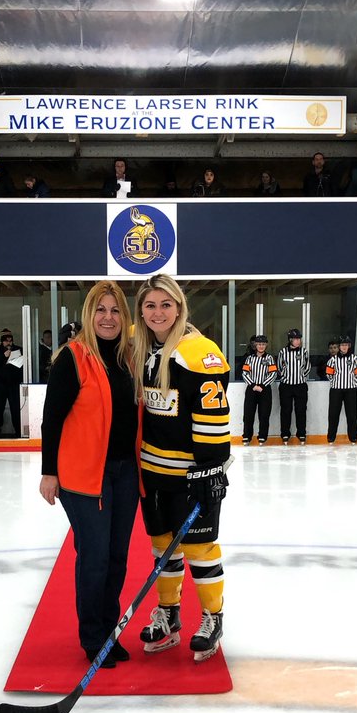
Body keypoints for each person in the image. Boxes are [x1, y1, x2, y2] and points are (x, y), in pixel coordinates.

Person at [39, 281, 139, 668]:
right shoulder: (73, 357)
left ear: (124, 317)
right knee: (95, 557)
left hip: (125, 474)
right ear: (88, 314)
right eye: (101, 310)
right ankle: (93, 638)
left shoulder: (129, 358)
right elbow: (52, 420)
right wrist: (49, 472)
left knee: (117, 558)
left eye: (115, 310)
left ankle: (109, 633)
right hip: (83, 478)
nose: (108, 318)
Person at [133, 273, 230, 662]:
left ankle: (212, 617)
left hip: (191, 475)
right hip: (152, 473)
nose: (158, 312)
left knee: (199, 548)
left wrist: (211, 467)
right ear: (141, 311)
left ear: (179, 307)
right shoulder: (141, 346)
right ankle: (169, 614)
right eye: (150, 305)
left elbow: (214, 411)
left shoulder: (198, 351)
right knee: (162, 548)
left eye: (165, 304)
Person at [326, 337, 357, 443]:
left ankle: (353, 437)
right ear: (339, 347)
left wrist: (352, 380)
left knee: (352, 415)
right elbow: (329, 374)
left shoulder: (354, 358)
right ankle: (331, 437)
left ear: (349, 346)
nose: (344, 347)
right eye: (342, 345)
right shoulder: (332, 360)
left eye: (346, 345)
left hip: (351, 390)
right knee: (333, 414)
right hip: (336, 390)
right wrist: (336, 382)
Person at [241, 335, 277, 445]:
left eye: (263, 344)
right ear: (255, 345)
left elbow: (273, 374)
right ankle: (247, 436)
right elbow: (245, 373)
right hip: (251, 390)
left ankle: (262, 436)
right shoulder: (249, 358)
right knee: (248, 414)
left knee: (264, 414)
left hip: (264, 390)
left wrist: (262, 385)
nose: (261, 346)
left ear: (266, 345)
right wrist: (253, 385)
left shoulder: (269, 358)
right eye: (259, 344)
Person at [277, 328, 311, 443]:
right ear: (290, 340)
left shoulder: (304, 352)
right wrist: (286, 376)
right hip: (286, 386)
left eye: (299, 339)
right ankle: (285, 434)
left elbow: (307, 367)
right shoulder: (283, 352)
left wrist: (300, 377)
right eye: (296, 339)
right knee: (286, 410)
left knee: (301, 410)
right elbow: (279, 368)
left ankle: (301, 433)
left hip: (300, 385)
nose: (298, 341)